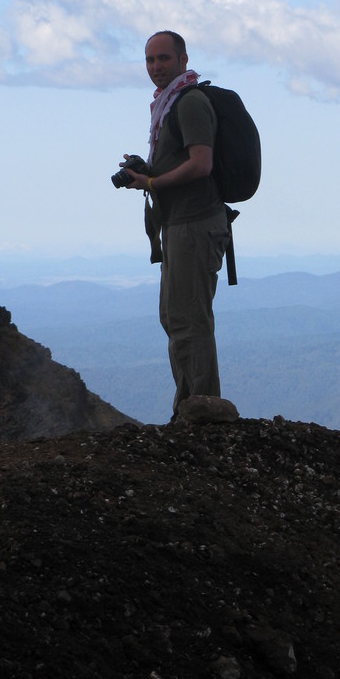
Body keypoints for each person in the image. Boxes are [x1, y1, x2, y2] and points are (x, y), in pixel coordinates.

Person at [122, 30, 230, 418]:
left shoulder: (190, 103)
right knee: (176, 317)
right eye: (149, 60)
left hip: (196, 225)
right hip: (180, 224)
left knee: (189, 319)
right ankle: (190, 407)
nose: (156, 68)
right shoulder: (168, 106)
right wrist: (146, 171)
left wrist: (150, 182)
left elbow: (201, 164)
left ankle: (205, 411)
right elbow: (181, 163)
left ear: (184, 59)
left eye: (163, 59)